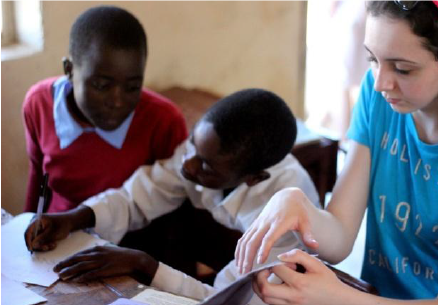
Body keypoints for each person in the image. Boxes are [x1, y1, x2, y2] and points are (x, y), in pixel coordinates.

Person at [235, 0, 438, 303]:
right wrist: (295, 202)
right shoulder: (379, 102)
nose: (380, 83)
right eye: (372, 59)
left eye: (402, 69)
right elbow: (340, 236)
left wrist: (336, 296)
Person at [24, 88, 320, 303]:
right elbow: (138, 195)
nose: (188, 165)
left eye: (206, 165)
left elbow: (223, 299)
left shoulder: (285, 220)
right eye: (193, 145)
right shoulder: (209, 154)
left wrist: (144, 264)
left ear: (252, 178)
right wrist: (74, 217)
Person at [22, 6, 187, 213]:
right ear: (70, 70)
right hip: (58, 236)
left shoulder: (164, 121)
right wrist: (26, 226)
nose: (117, 101)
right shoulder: (39, 104)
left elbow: (174, 201)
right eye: (102, 85)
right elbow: (38, 178)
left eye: (132, 87)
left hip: (132, 241)